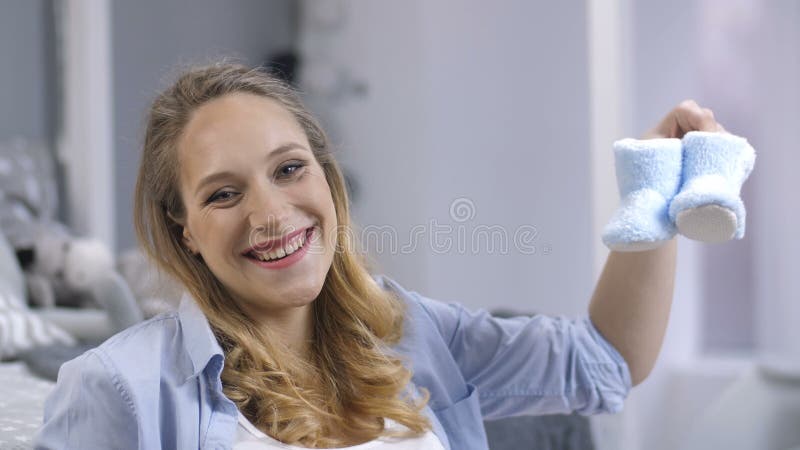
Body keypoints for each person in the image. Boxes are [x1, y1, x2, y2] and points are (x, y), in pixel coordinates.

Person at [34, 62, 725, 450]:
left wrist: (651, 190)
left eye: (288, 170)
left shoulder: (409, 329)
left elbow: (604, 362)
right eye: (222, 194)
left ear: (327, 179)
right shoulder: (120, 390)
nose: (271, 214)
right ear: (182, 228)